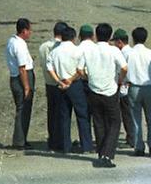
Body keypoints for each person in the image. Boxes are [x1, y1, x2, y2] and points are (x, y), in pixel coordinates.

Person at [83, 23, 127, 168]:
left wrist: (90, 78)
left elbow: (79, 69)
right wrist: (120, 79)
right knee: (115, 122)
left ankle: (102, 153)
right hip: (110, 89)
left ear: (96, 35)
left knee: (98, 122)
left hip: (94, 89)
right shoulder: (113, 50)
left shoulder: (89, 50)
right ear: (109, 36)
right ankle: (107, 154)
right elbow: (124, 67)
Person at [46, 26, 93, 154]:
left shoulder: (54, 52)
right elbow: (80, 70)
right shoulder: (77, 51)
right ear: (73, 37)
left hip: (61, 85)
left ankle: (66, 146)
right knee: (82, 115)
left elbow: (50, 68)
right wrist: (71, 80)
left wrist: (59, 81)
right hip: (75, 85)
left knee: (64, 116)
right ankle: (87, 146)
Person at [125, 27, 151, 157]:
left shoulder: (128, 54)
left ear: (133, 38)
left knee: (135, 119)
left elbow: (123, 70)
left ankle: (139, 147)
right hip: (149, 87)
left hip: (133, 87)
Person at [5, 18, 35, 149]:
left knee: (22, 109)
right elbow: (22, 68)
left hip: (15, 77)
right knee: (23, 109)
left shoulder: (11, 41)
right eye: (29, 30)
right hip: (21, 78)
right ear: (24, 31)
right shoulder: (20, 45)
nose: (30, 33)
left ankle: (21, 139)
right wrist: (27, 87)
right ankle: (19, 141)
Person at [39, 22, 65, 151]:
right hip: (60, 82)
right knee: (62, 113)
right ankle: (61, 140)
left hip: (48, 83)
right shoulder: (60, 47)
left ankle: (52, 139)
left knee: (51, 112)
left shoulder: (43, 47)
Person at [111, 29, 134, 148]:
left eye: (115, 42)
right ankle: (132, 137)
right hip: (133, 85)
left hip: (126, 85)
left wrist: (120, 81)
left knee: (126, 113)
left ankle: (131, 138)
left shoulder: (123, 54)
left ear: (119, 42)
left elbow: (124, 70)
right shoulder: (132, 51)